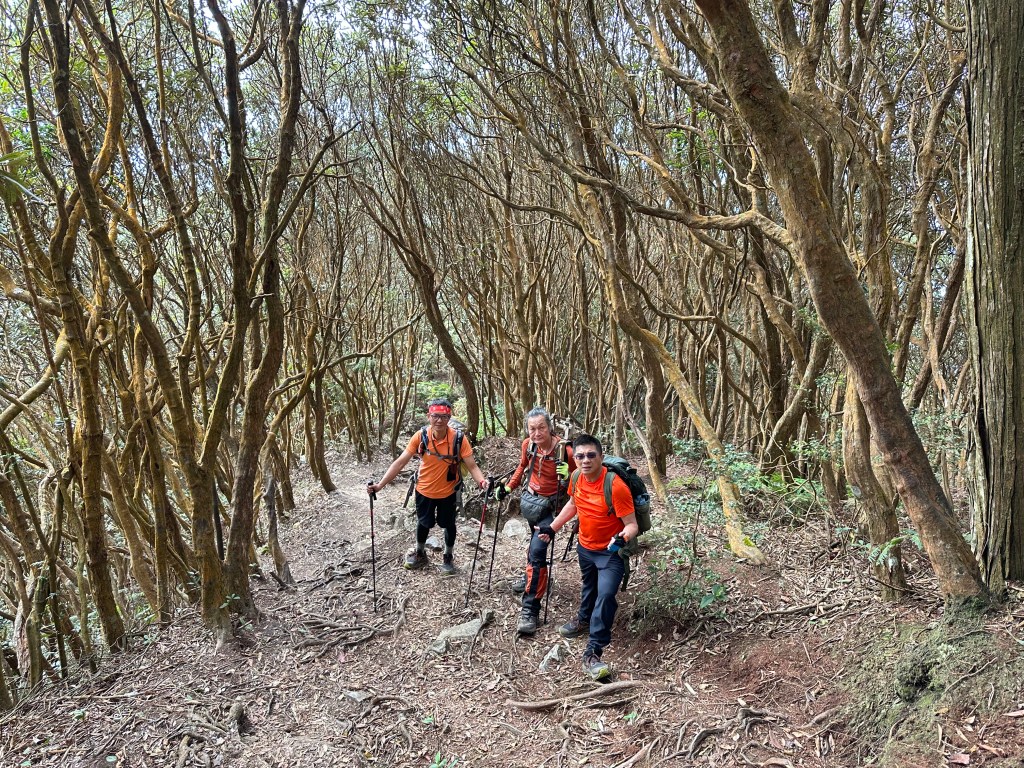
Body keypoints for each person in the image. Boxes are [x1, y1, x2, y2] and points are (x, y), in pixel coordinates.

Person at [538, 433, 638, 681]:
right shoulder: (576, 477)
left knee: (606, 595)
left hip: (610, 553)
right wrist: (553, 528)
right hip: (585, 547)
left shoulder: (616, 487)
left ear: (601, 457)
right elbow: (573, 504)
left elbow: (632, 525)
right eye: (580, 456)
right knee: (589, 586)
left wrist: (622, 538)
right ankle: (583, 620)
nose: (585, 460)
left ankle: (593, 651)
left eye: (591, 455)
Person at [368, 399, 488, 575]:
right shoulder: (421, 436)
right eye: (435, 416)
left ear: (449, 418)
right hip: (424, 490)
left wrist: (482, 482)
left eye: (444, 417)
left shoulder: (458, 439)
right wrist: (380, 485)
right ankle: (420, 553)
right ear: (429, 416)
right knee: (423, 523)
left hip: (449, 492)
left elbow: (472, 466)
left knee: (449, 524)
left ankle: (448, 556)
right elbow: (400, 462)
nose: (439, 420)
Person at [495, 408, 576, 635]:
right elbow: (522, 467)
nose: (537, 433)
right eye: (532, 428)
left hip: (550, 508)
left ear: (550, 427)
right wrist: (508, 487)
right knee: (534, 547)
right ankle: (532, 577)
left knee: (538, 551)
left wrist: (569, 475)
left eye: (541, 427)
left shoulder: (566, 451)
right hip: (531, 502)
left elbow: (581, 480)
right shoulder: (528, 445)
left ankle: (530, 609)